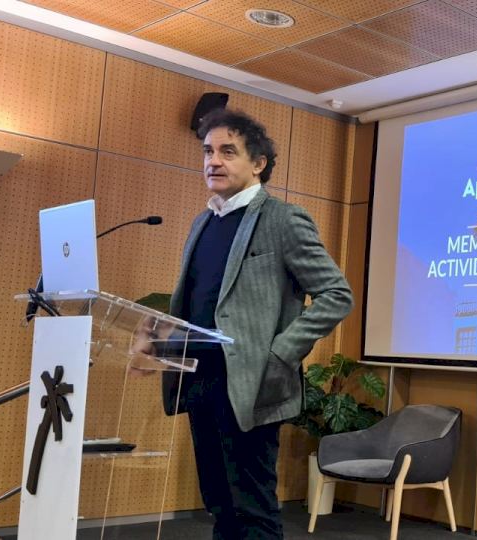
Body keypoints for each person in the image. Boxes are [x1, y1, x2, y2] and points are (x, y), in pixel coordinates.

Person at [154, 108, 353, 539]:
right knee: (220, 506)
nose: (213, 161)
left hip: (251, 385)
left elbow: (337, 295)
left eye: (228, 151)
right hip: (200, 380)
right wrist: (158, 343)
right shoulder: (203, 222)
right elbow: (197, 305)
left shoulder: (283, 220)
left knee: (253, 511)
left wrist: (280, 353)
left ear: (258, 163)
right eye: (208, 151)